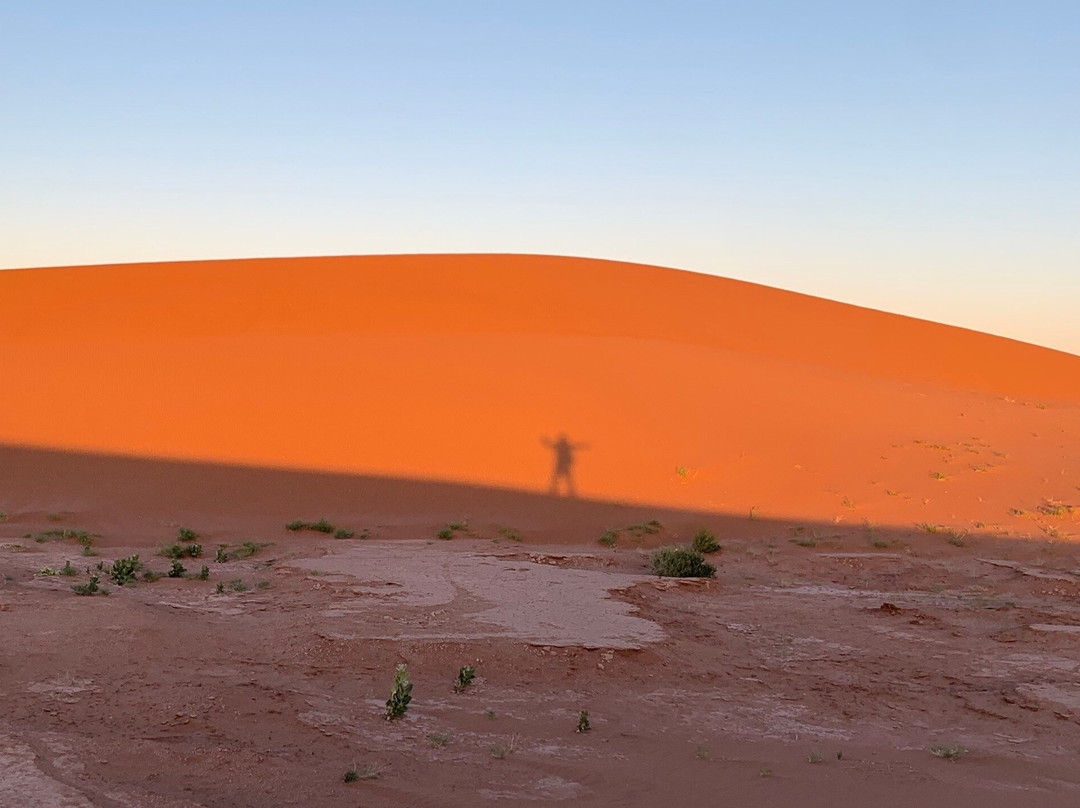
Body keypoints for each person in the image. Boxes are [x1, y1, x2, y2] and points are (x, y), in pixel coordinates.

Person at [542, 433, 587, 497]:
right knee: (564, 478)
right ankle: (569, 491)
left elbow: (550, 444)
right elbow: (576, 446)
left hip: (560, 465)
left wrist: (545, 441)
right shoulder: (565, 446)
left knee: (559, 478)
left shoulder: (560, 446)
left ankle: (555, 490)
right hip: (563, 465)